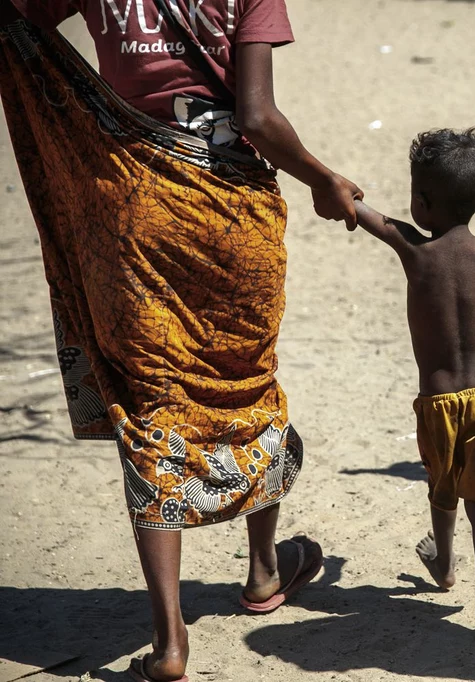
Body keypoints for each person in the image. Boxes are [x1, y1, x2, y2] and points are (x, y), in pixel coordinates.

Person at [0, 1, 362, 680]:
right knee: (245, 379)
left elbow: (22, 24)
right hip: (231, 211)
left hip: (130, 208)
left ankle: (170, 646)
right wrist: (323, 179)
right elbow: (257, 119)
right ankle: (262, 572)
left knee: (153, 410)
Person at [352, 128, 475, 643]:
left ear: (422, 202)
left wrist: (336, 187)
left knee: (442, 487)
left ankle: (444, 563)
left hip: (437, 402)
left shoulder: (415, 250)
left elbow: (373, 220)